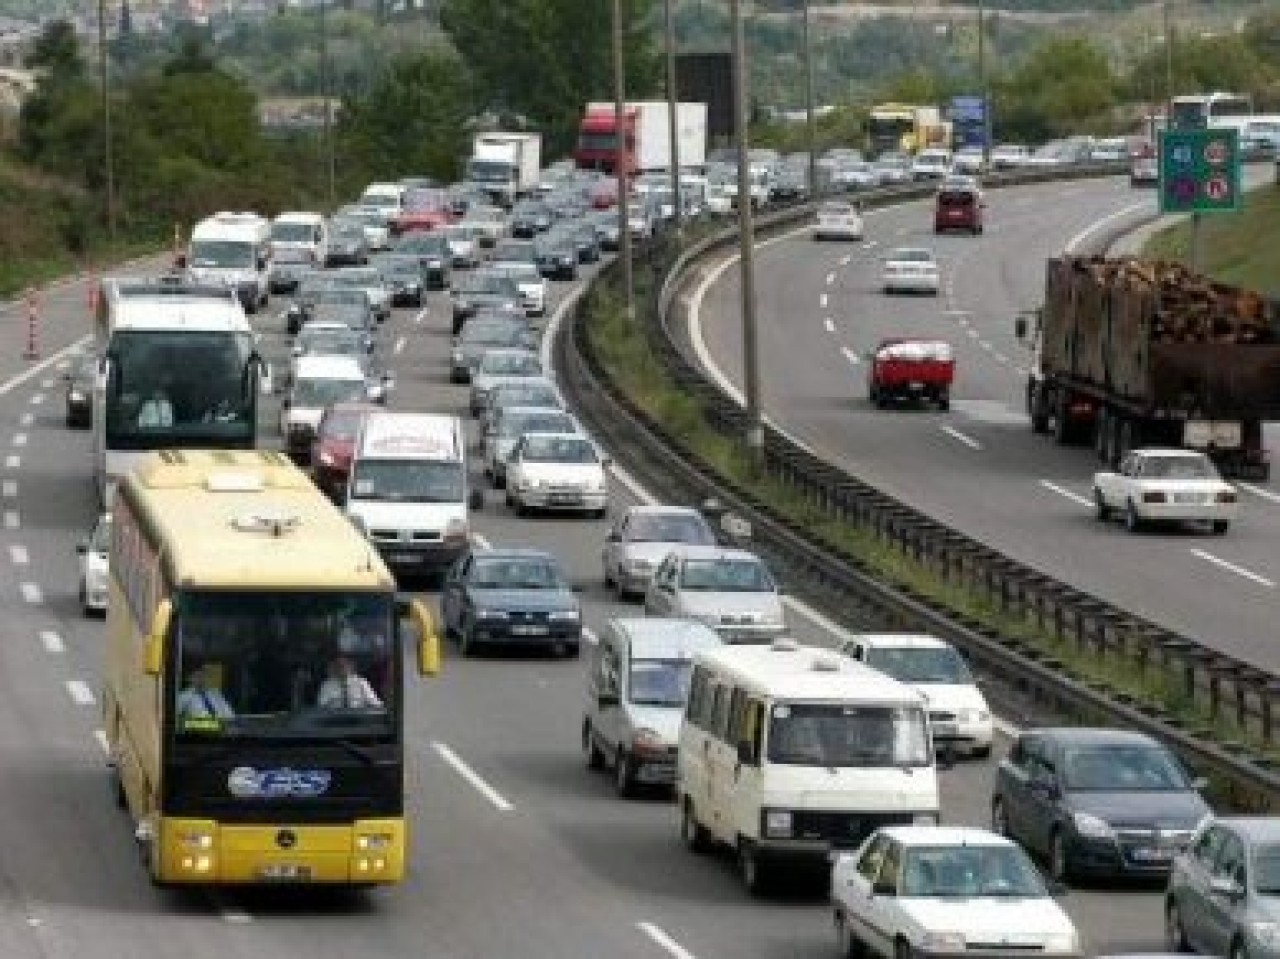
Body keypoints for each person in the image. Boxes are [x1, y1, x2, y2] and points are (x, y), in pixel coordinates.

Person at [317, 656, 383, 709]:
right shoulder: (326, 685)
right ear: (333, 668)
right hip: (334, 718)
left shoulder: (362, 682)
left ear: (351, 667)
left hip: (359, 718)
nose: (341, 669)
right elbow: (321, 705)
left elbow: (375, 703)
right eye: (338, 666)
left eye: (344, 666)